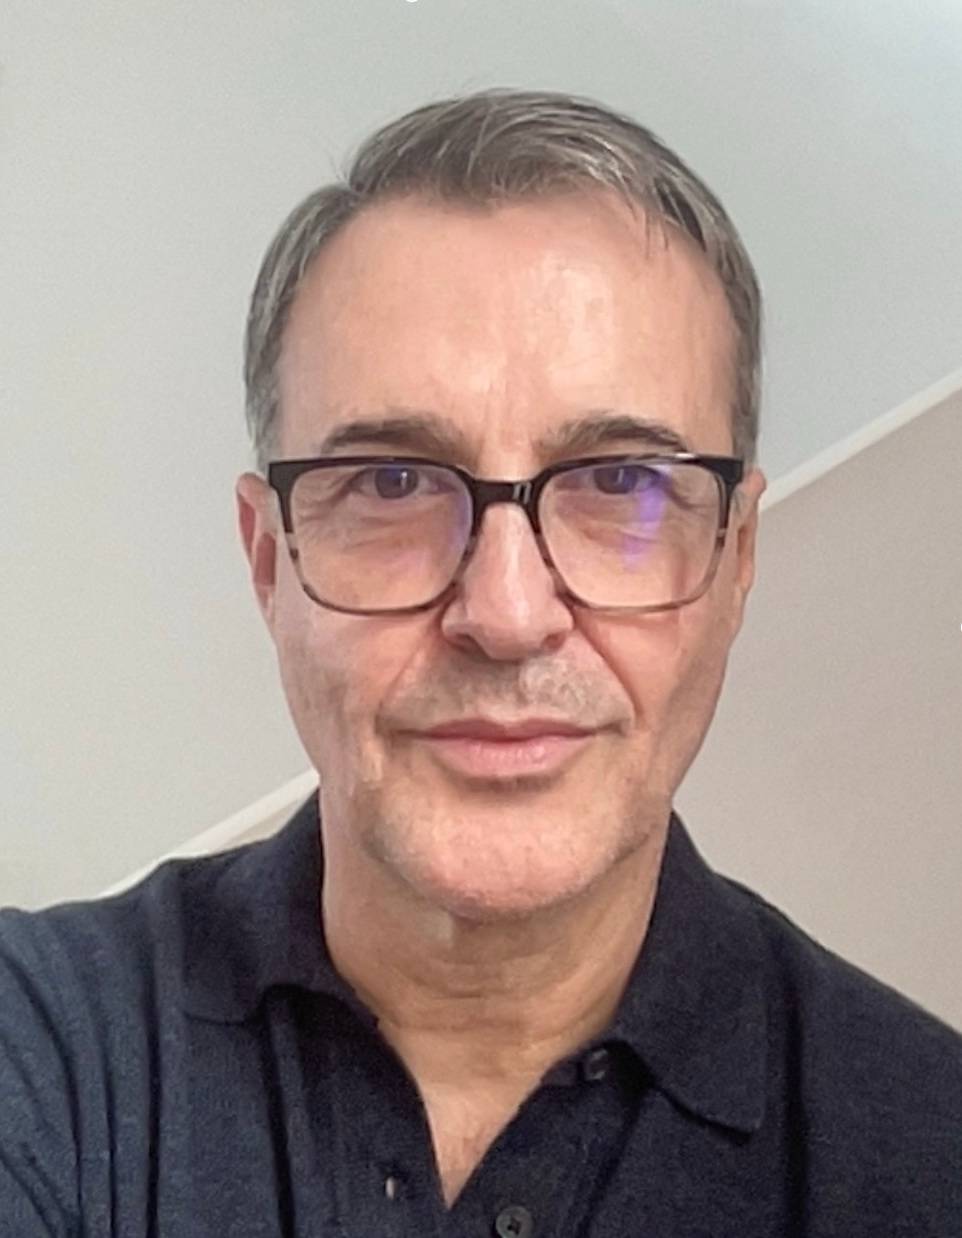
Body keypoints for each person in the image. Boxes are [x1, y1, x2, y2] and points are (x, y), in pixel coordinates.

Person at [2, 87, 960, 1237]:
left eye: (620, 482)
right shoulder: (40, 1055)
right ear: (269, 560)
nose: (506, 614)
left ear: (734, 553)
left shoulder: (929, 1152)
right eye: (393, 483)